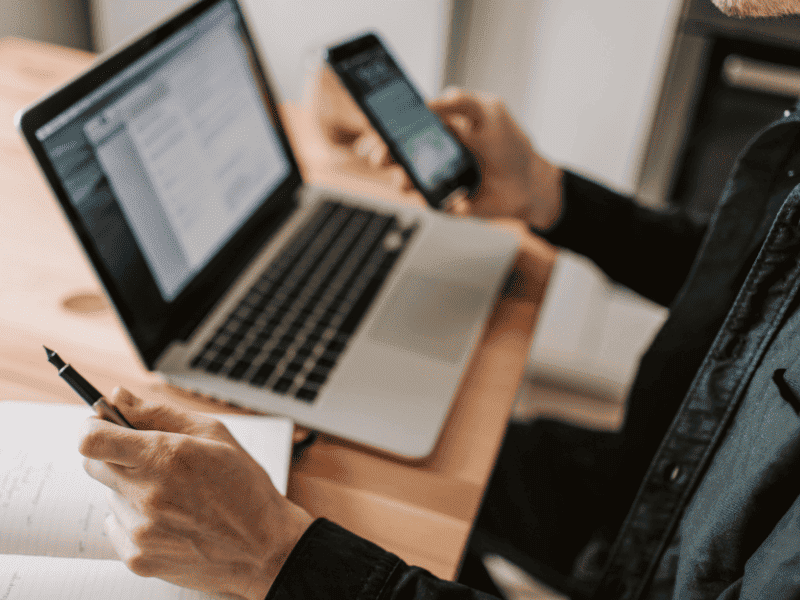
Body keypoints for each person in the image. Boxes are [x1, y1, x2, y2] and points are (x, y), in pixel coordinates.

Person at [76, 0, 800, 598]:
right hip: (653, 479)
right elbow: (765, 278)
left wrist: (277, 556)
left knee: (363, 497)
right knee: (417, 464)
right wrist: (556, 198)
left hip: (658, 564)